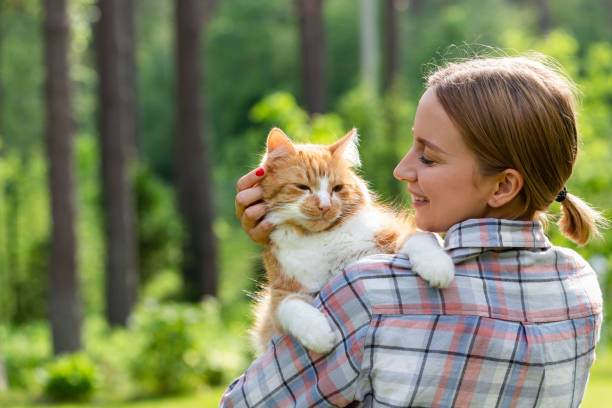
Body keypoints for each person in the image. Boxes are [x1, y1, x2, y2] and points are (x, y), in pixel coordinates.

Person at [220, 54, 605, 407]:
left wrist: (286, 249)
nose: (401, 170)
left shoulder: (371, 294)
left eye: (428, 156)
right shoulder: (580, 287)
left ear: (503, 187)